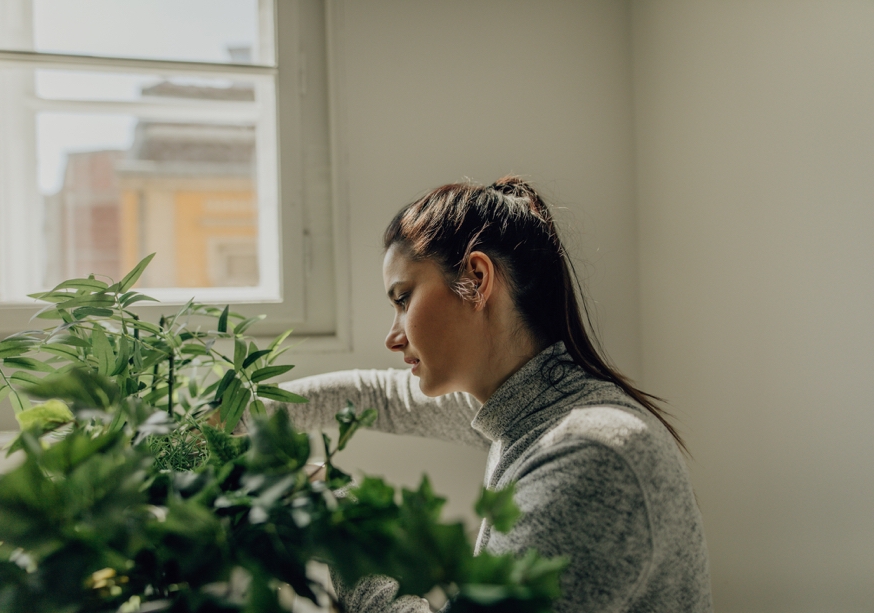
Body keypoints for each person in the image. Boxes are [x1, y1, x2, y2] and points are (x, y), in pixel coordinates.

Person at [270, 176, 712, 612]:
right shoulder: (529, 406)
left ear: (478, 279)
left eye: (403, 299)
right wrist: (240, 414)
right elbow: (378, 396)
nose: (393, 336)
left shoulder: (591, 457)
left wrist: (343, 531)